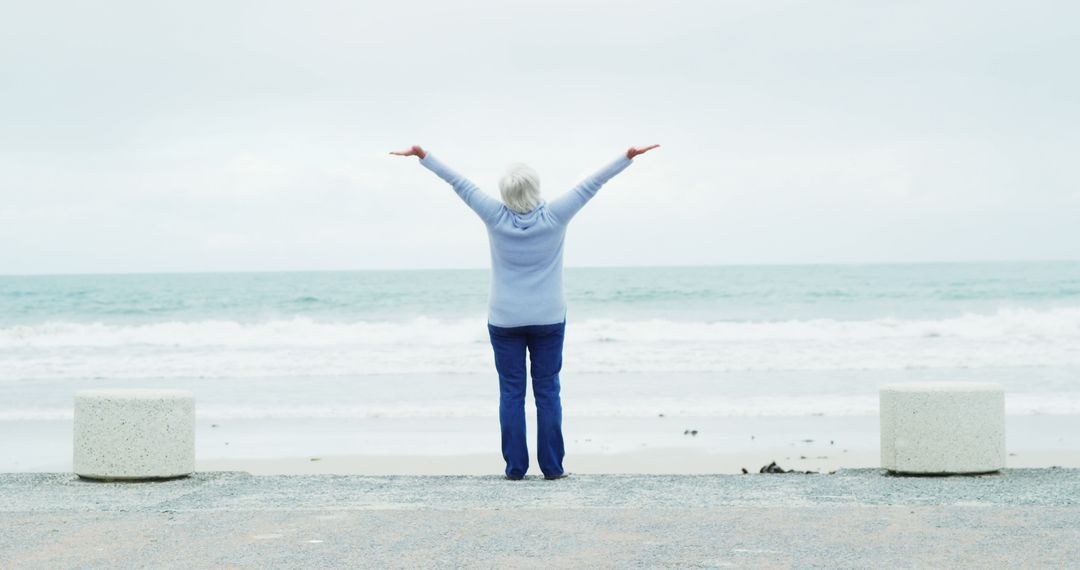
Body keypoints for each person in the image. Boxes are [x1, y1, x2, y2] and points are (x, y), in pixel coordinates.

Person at [390, 143, 660, 480]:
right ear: (536, 188)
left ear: (506, 192)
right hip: (548, 317)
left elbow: (459, 183)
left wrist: (424, 156)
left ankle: (516, 469)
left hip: (504, 319)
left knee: (511, 393)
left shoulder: (493, 214)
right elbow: (592, 183)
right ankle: (552, 467)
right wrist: (627, 157)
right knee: (547, 391)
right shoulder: (556, 216)